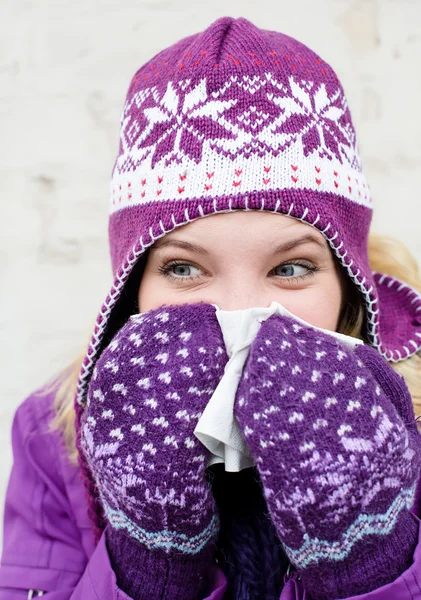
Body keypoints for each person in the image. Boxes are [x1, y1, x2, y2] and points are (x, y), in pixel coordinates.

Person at [1, 15, 421, 600]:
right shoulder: (52, 437)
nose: (239, 312)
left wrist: (370, 561)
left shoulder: (412, 423)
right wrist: (147, 559)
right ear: (133, 288)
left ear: (347, 281)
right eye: (183, 269)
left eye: (291, 268)